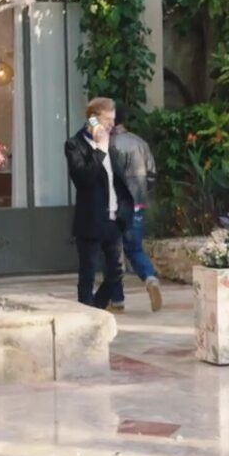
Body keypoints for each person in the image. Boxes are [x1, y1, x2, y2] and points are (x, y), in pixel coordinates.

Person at [64, 97, 134, 310]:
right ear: (93, 119)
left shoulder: (110, 143)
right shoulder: (74, 145)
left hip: (113, 218)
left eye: (113, 119)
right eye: (108, 119)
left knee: (116, 272)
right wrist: (99, 151)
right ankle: (86, 314)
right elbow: (83, 179)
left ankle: (96, 308)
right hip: (91, 220)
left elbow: (117, 178)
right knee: (88, 274)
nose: (112, 124)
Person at [108, 106, 164, 313]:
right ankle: (150, 278)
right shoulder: (139, 142)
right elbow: (152, 174)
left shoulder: (106, 144)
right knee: (134, 249)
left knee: (112, 253)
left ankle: (117, 300)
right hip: (137, 204)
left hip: (114, 205)